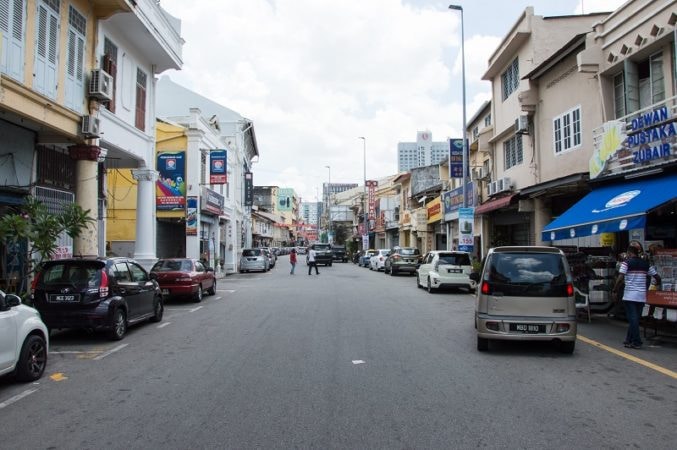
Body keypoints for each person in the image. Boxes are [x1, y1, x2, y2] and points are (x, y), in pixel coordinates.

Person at [613, 245, 661, 349]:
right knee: (635, 319)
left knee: (633, 319)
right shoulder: (646, 264)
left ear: (629, 253)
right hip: (641, 296)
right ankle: (628, 340)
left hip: (630, 295)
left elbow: (620, 278)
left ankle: (636, 341)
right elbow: (657, 277)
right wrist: (657, 285)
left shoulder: (626, 263)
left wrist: (615, 290)